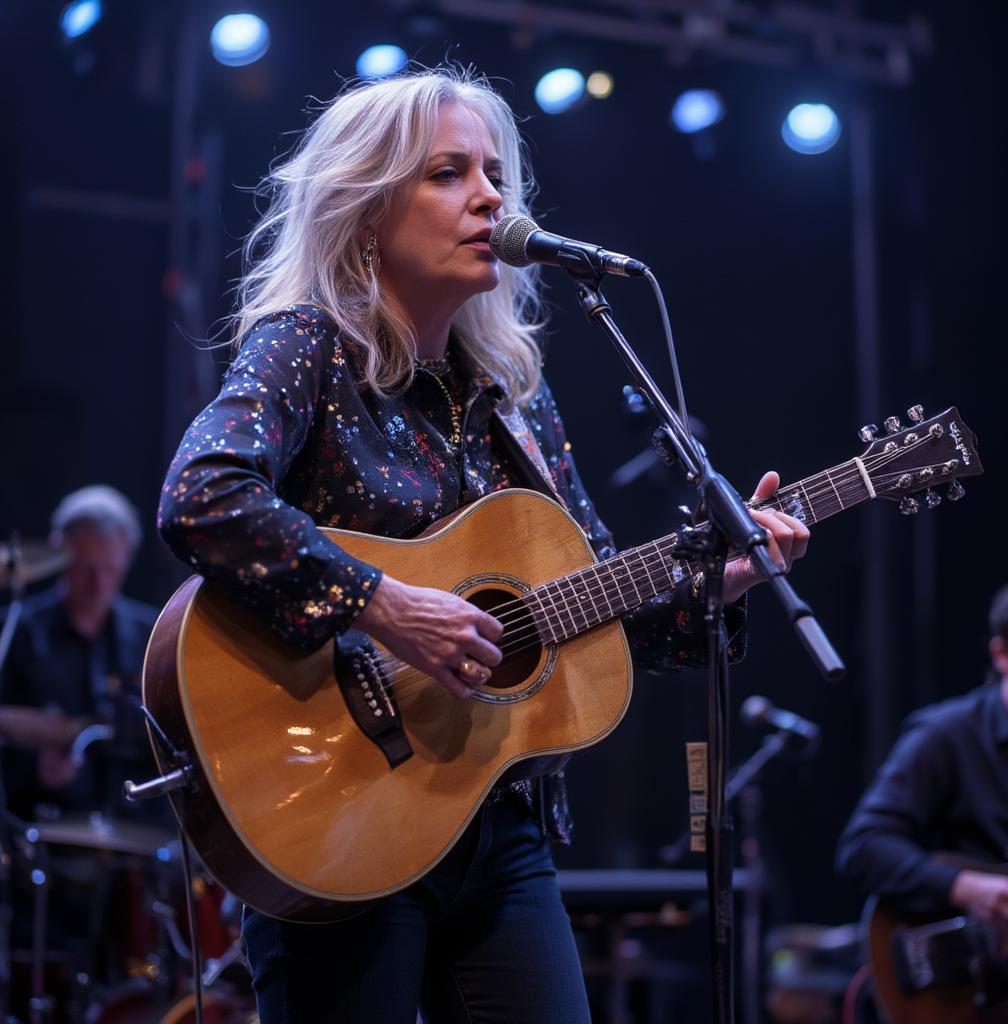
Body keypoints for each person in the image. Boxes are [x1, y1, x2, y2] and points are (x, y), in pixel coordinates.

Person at [157, 66, 811, 1024]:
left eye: (495, 174)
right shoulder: (309, 346)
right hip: (334, 810)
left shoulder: (515, 396)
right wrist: (388, 605)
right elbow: (200, 495)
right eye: (448, 174)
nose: (490, 198)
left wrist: (724, 579)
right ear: (368, 209)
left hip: (501, 827)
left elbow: (597, 606)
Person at [836, 574, 1008, 939]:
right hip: (967, 978)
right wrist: (966, 888)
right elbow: (864, 846)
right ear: (1002, 655)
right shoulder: (947, 734)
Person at [0, 484, 159, 822]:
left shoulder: (153, 636)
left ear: (128, 560)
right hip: (40, 826)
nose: (99, 584)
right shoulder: (16, 632)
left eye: (110, 569)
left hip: (135, 836)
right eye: (87, 568)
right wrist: (34, 768)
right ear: (60, 554)